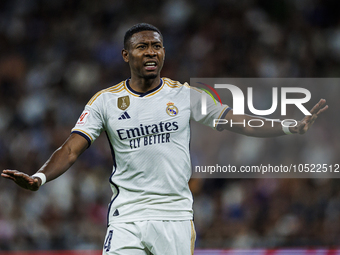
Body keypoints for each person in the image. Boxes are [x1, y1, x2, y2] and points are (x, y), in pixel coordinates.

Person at [1, 23, 328, 255]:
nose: (151, 52)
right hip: (126, 216)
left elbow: (237, 120)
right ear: (126, 55)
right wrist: (40, 177)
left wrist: (287, 125)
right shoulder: (105, 101)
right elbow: (71, 148)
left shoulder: (185, 94)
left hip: (174, 217)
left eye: (157, 45)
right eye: (142, 46)